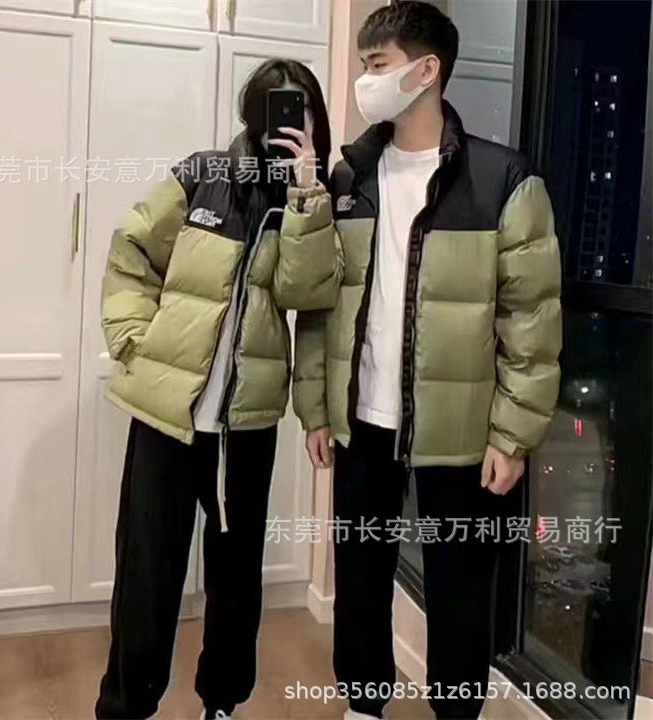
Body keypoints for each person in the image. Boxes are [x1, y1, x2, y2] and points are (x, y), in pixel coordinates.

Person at [293, 2, 562, 719]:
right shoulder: (349, 178)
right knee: (360, 573)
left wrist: (513, 435)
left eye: (377, 64)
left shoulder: (503, 180)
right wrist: (316, 408)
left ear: (426, 70)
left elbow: (532, 322)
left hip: (460, 429)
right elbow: (319, 307)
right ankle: (363, 705)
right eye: (364, 65)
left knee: (459, 585)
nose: (365, 80)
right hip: (363, 419)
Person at [95, 58, 337, 720]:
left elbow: (305, 291)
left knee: (235, 578)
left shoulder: (311, 201)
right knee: (146, 573)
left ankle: (221, 703)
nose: (289, 120)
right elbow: (131, 249)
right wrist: (132, 339)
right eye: (277, 106)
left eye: (302, 108)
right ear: (252, 114)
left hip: (246, 425)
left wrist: (306, 194)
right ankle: (125, 707)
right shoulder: (202, 175)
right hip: (168, 417)